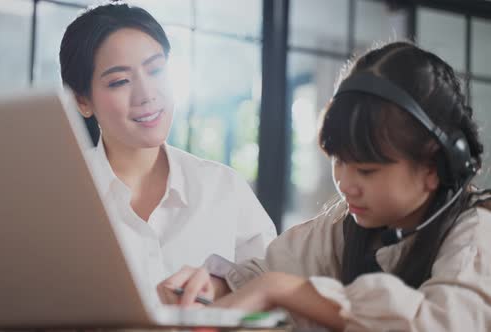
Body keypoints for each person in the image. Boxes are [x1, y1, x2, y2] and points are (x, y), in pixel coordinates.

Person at [158, 41, 491, 331]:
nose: (345, 183)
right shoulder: (347, 224)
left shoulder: (477, 233)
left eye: (366, 170)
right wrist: (214, 287)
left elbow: (443, 323)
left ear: (433, 167)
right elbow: (267, 272)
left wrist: (282, 289)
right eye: (338, 161)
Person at [59, 2, 276, 306]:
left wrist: (224, 287)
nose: (147, 94)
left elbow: (277, 295)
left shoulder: (224, 189)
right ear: (82, 100)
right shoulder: (59, 200)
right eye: (120, 81)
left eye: (157, 70)